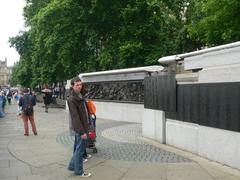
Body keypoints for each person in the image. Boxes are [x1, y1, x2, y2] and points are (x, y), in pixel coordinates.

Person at [67, 76, 91, 177]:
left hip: (84, 126)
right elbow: (75, 118)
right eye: (77, 85)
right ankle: (79, 171)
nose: (79, 86)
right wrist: (82, 132)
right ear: (72, 86)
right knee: (80, 151)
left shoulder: (80, 95)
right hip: (80, 129)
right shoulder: (72, 99)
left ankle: (72, 166)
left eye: (80, 84)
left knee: (78, 149)